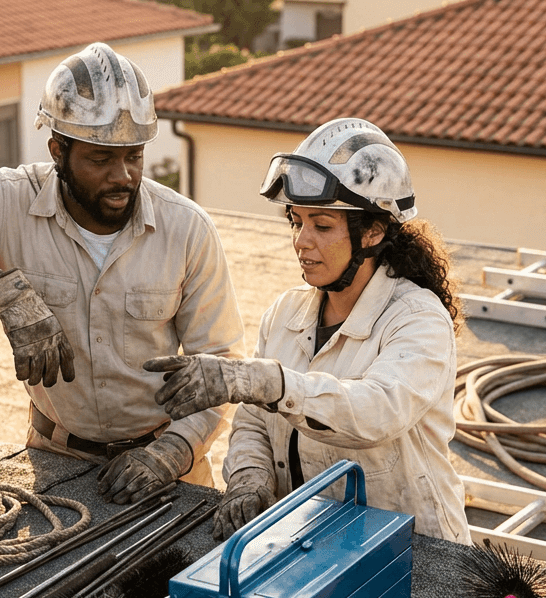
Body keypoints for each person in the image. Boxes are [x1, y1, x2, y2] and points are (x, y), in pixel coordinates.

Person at [0, 42, 243, 504]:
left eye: (133, 156)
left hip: (171, 469)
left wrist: (171, 452)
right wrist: (1, 290)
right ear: (58, 151)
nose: (123, 176)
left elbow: (221, 363)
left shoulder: (186, 228)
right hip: (55, 462)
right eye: (100, 160)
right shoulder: (6, 200)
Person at [144, 118, 472, 544]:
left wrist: (264, 381)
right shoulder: (285, 312)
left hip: (415, 547)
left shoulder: (417, 318)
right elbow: (254, 423)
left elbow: (377, 411)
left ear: (372, 231)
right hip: (311, 539)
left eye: (321, 225)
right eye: (296, 222)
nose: (301, 240)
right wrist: (250, 477)